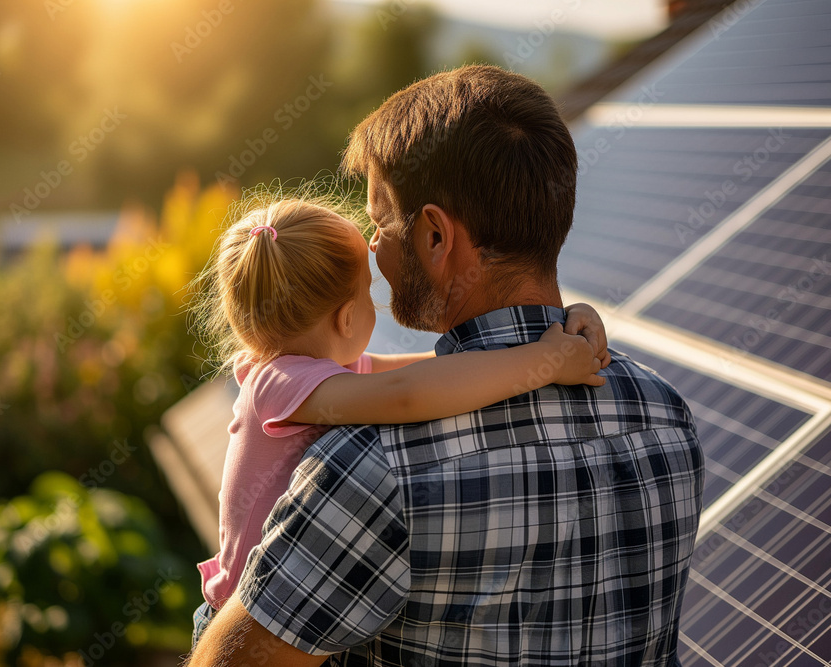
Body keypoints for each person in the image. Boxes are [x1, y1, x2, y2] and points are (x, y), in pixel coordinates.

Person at [187, 65, 703, 667]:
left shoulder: (374, 469)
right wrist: (555, 343)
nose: (374, 247)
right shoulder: (666, 418)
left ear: (435, 236)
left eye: (380, 222)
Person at [188, 196, 611, 645]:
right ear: (347, 319)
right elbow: (409, 395)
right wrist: (543, 362)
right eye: (369, 292)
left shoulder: (316, 373)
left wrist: (550, 327)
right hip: (243, 624)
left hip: (288, 606)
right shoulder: (279, 383)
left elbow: (435, 369)